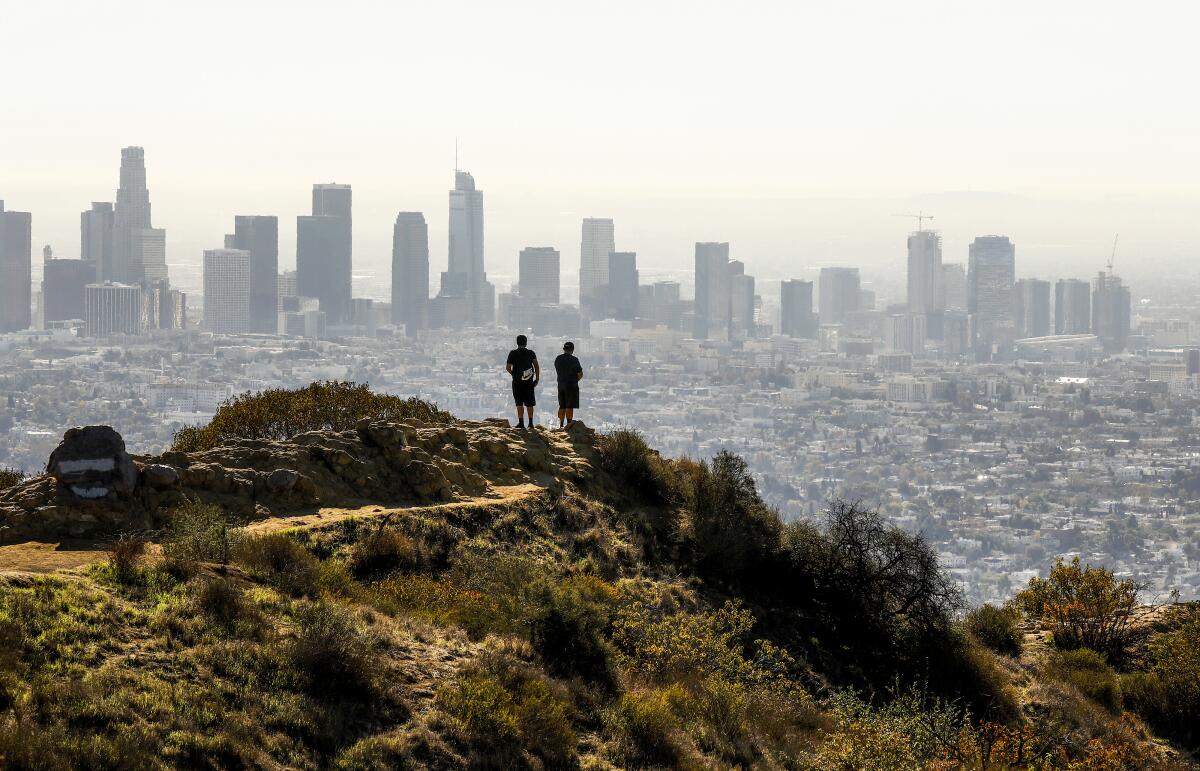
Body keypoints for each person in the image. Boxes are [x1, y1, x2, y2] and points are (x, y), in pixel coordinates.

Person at [505, 334, 540, 429]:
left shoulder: (513, 353)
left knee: (519, 402)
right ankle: (531, 423)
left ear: (517, 343)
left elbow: (508, 368)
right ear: (526, 342)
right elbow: (536, 366)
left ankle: (521, 423)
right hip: (529, 382)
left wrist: (514, 374)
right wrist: (537, 379)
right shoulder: (531, 353)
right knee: (529, 403)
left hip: (517, 382)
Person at [554, 341, 583, 428]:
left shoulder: (558, 359)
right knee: (569, 406)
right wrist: (575, 380)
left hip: (561, 384)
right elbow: (580, 374)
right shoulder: (574, 360)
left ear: (564, 349)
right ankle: (569, 425)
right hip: (571, 385)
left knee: (562, 406)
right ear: (572, 350)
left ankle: (561, 424)